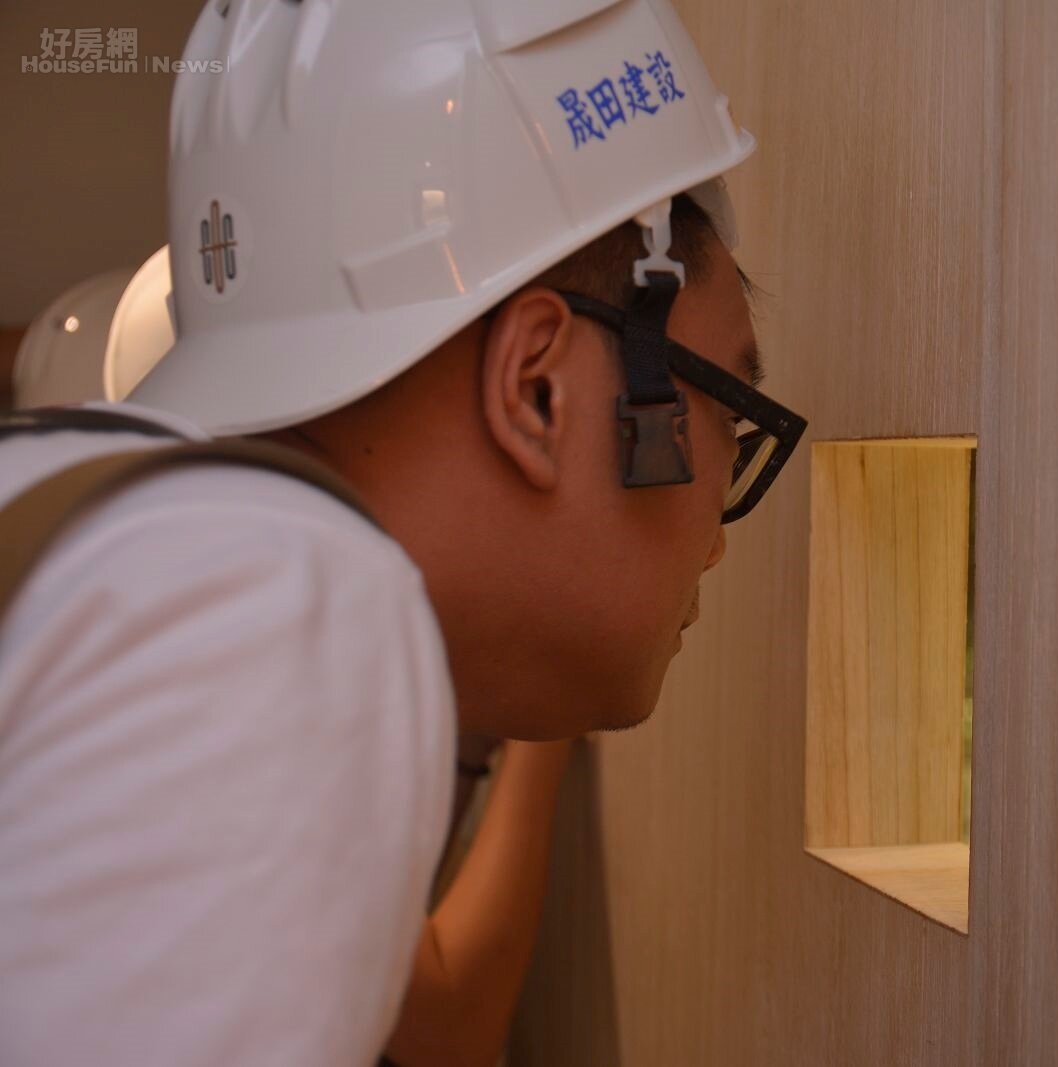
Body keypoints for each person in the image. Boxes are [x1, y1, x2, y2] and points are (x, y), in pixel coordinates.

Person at [0, 0, 805, 1064]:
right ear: (538, 388)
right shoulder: (282, 604)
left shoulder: (100, 512)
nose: (715, 536)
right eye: (726, 414)